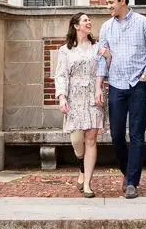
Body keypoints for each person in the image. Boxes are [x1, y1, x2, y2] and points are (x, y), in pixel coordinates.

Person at [95, 0, 146, 199]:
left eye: (110, 2)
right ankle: (127, 171)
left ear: (122, 1)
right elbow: (103, 58)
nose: (108, 7)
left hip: (138, 86)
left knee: (137, 134)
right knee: (116, 135)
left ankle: (132, 182)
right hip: (115, 86)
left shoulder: (143, 23)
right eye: (107, 3)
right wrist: (100, 85)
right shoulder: (106, 27)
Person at [53, 13, 109, 198]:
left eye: (89, 20)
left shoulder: (97, 47)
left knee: (91, 139)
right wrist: (62, 97)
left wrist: (108, 56)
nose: (89, 22)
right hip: (74, 97)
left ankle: (87, 184)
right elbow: (61, 75)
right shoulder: (65, 50)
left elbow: (106, 67)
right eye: (85, 20)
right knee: (77, 140)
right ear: (76, 26)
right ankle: (81, 167)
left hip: (94, 96)